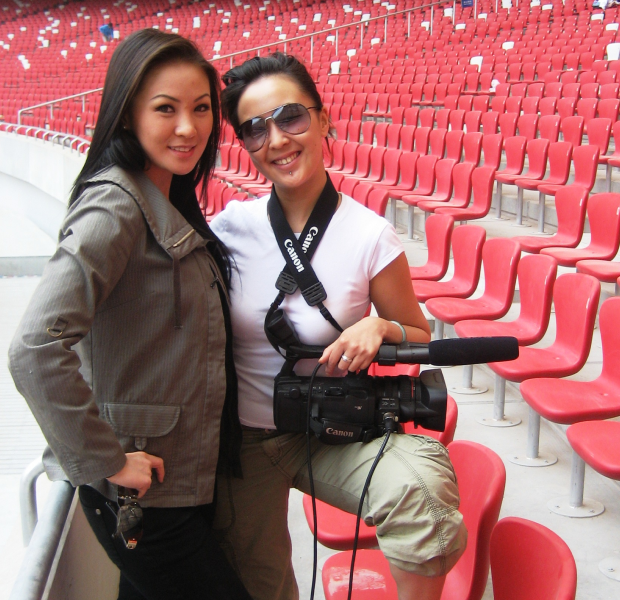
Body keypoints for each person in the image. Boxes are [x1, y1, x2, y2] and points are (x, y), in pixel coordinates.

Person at [210, 53, 467, 600]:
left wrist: (381, 327)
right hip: (245, 438)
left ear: (324, 119)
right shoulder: (229, 228)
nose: (276, 139)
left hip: (331, 428)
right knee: (258, 582)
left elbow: (417, 333)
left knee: (421, 493)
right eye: (254, 129)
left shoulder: (371, 235)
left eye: (290, 118)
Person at [8, 29, 251, 600]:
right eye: (165, 109)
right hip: (145, 494)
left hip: (177, 480)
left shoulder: (161, 196)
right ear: (126, 116)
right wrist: (107, 459)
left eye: (200, 109)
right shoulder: (115, 206)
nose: (189, 128)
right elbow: (34, 349)